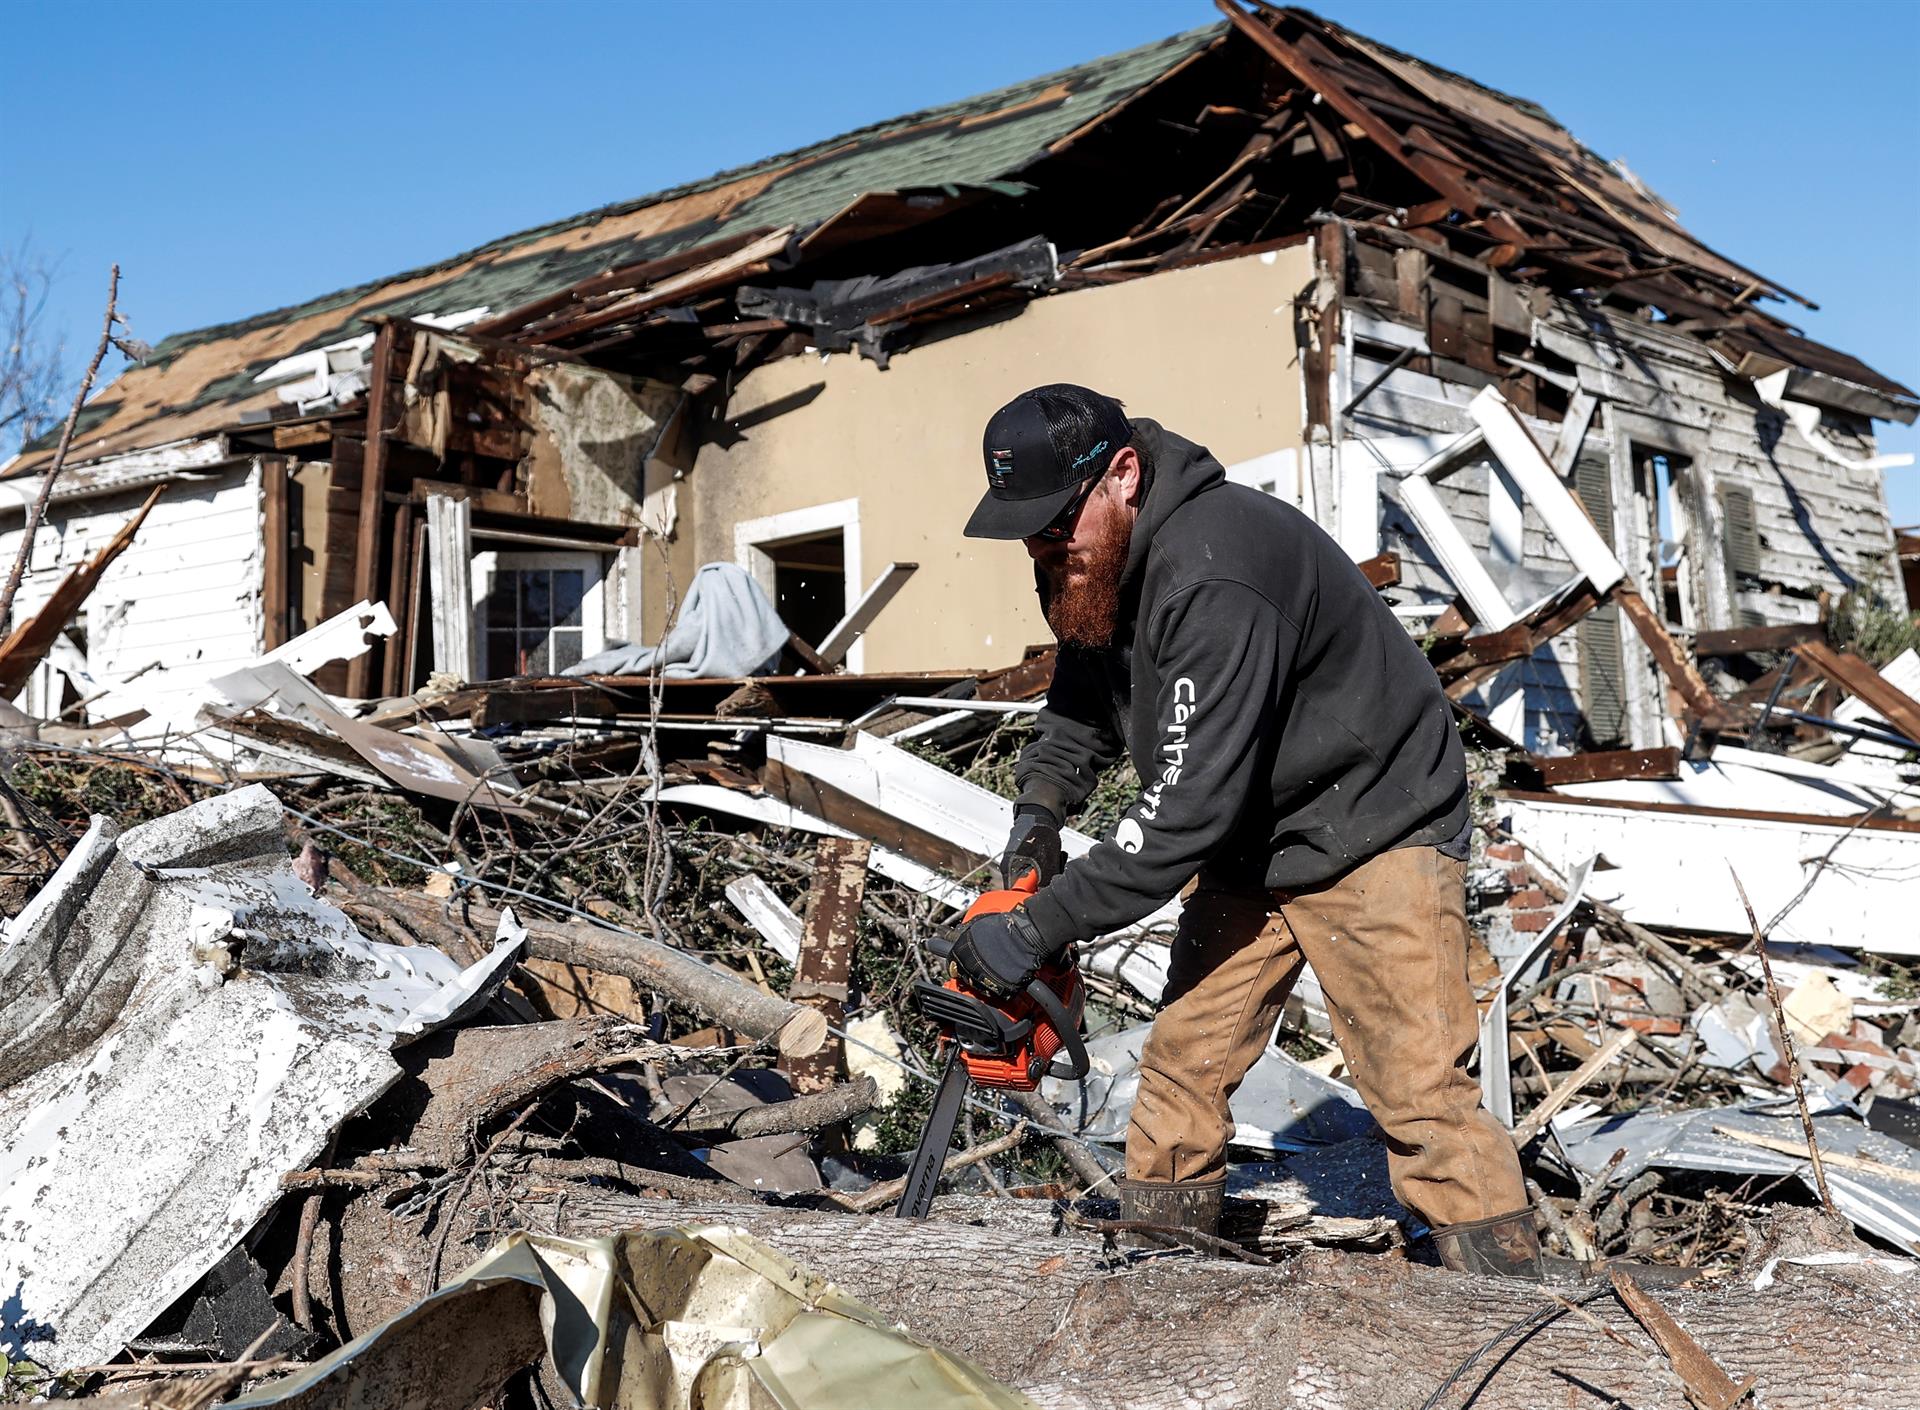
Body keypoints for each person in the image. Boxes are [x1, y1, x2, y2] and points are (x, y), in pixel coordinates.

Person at [951, 383, 1538, 1277]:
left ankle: (1511, 1302)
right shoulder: (1094, 564)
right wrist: (1035, 825)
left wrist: (1034, 932)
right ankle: (1164, 1280)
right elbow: (1079, 705)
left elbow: (1185, 813)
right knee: (1181, 1066)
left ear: (1123, 475)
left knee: (1416, 1086)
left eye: (1058, 524)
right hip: (1254, 832)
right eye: (1029, 531)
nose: (1046, 548)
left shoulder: (1215, 568)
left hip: (1373, 818)